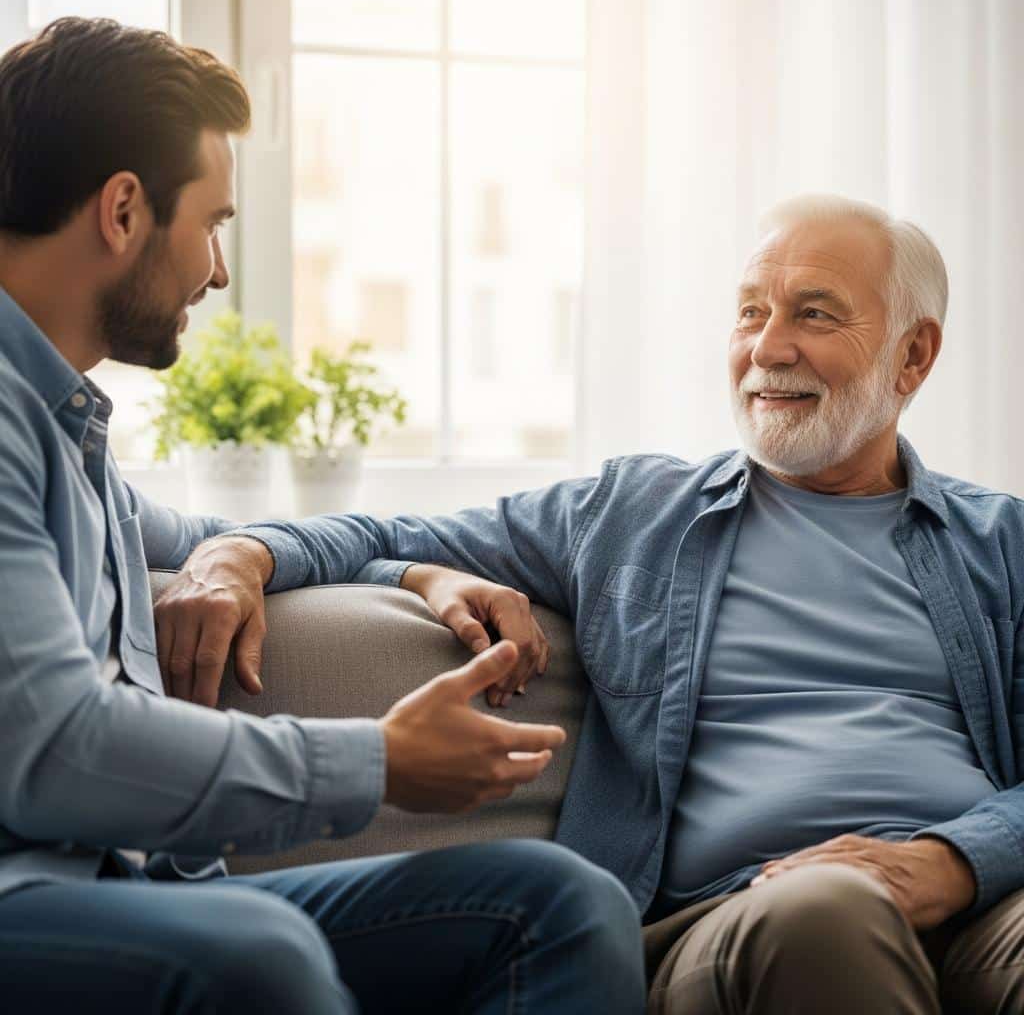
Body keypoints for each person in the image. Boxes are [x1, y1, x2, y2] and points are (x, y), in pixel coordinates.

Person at [174, 193, 1024, 1013]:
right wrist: (242, 552)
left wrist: (952, 861)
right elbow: (374, 530)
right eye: (749, 312)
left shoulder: (1001, 543)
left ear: (913, 356)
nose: (768, 348)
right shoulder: (633, 515)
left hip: (983, 903)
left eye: (814, 314)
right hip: (742, 917)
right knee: (829, 912)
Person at [0, 17, 647, 1014]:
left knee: (559, 901)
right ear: (124, 210)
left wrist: (413, 573)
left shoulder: (67, 431)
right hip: (28, 902)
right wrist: (377, 759)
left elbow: (212, 533)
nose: (217, 273)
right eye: (212, 224)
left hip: (130, 894)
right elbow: (54, 746)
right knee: (256, 955)